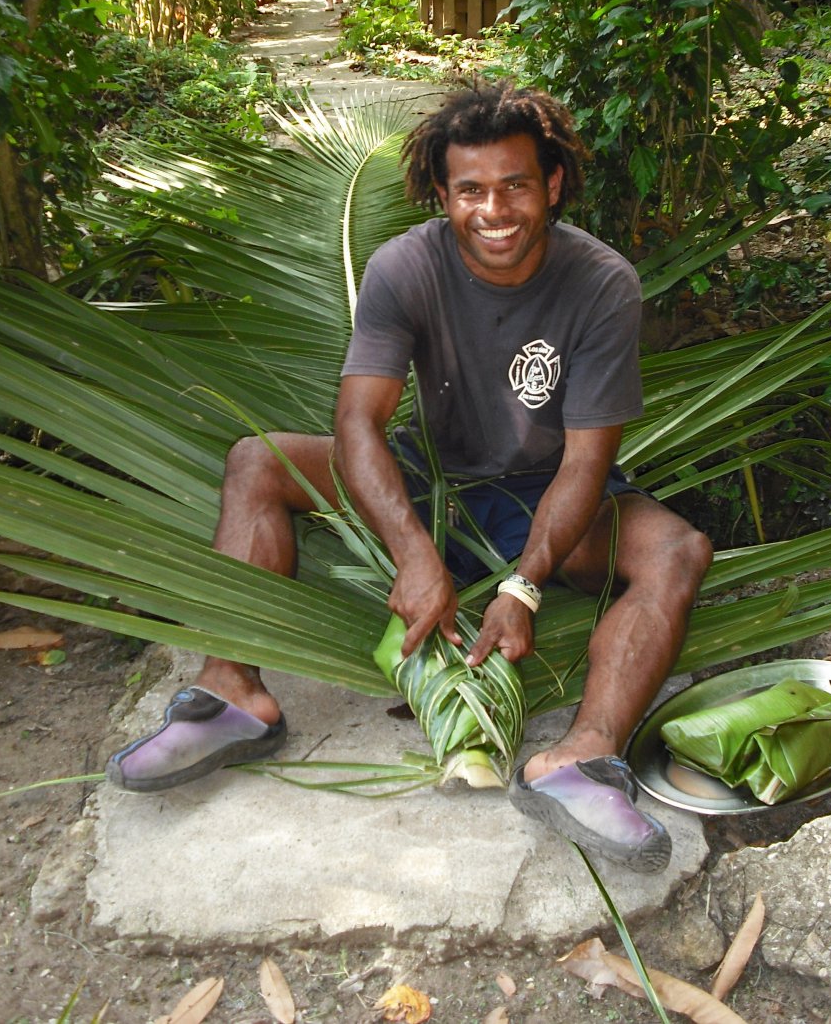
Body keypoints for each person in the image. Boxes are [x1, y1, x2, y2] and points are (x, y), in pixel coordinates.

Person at [106, 82, 713, 874]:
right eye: (470, 190)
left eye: (515, 185)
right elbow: (358, 422)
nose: (494, 209)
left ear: (552, 184)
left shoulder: (601, 284)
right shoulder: (405, 265)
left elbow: (586, 461)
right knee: (258, 460)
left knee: (678, 550)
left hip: (549, 495)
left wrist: (523, 587)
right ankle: (232, 695)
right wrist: (413, 552)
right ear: (441, 191)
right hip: (430, 482)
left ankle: (582, 755)